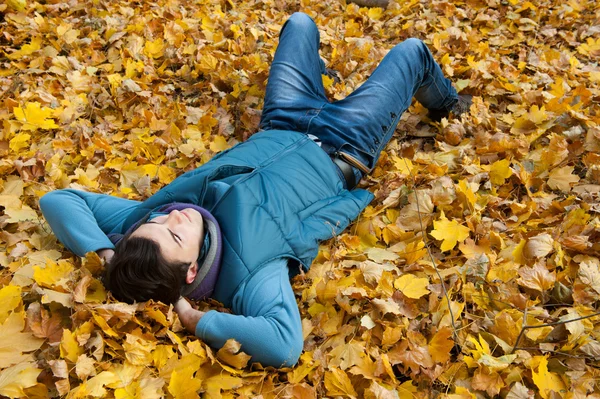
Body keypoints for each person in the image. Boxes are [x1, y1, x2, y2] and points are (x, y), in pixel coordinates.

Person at [39, 12, 471, 368]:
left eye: (156, 221)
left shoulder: (143, 226)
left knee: (300, 23)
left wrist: (106, 253)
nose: (171, 215)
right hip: (347, 143)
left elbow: (58, 199)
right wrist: (197, 321)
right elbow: (284, 345)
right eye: (174, 234)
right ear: (191, 272)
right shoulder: (250, 276)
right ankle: (448, 104)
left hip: (284, 118)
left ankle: (321, 79)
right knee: (411, 51)